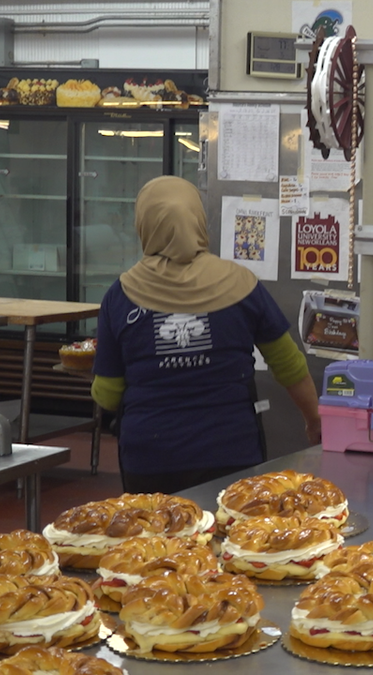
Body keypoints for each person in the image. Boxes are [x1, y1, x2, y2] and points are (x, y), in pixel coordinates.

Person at [91, 176, 322, 494]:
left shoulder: (120, 295)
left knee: (158, 539)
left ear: (143, 224)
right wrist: (314, 419)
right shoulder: (241, 285)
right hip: (230, 451)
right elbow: (289, 364)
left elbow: (108, 393)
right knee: (228, 539)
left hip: (149, 457)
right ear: (199, 220)